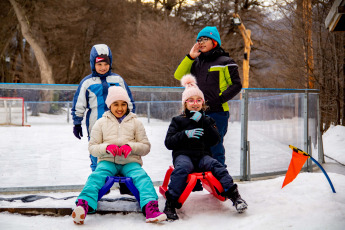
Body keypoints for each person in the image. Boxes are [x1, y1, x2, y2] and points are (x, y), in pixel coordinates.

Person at [72, 86, 167, 225]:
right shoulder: (101, 123)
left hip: (130, 162)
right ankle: (83, 205)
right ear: (109, 105)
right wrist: (107, 148)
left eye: (123, 104)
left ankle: (151, 209)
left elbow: (146, 147)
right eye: (115, 104)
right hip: (108, 161)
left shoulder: (136, 123)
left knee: (142, 178)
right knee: (96, 177)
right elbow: (92, 147)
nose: (120, 108)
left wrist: (131, 147)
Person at [163, 75, 247, 220]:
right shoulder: (178, 121)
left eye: (198, 100)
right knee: (182, 168)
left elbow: (215, 140)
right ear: (185, 103)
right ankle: (170, 204)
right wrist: (185, 134)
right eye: (190, 100)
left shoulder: (207, 120)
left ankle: (235, 197)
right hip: (183, 155)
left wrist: (204, 121)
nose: (195, 103)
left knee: (216, 165)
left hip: (202, 156)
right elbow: (169, 142)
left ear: (203, 103)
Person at [174, 26, 242, 167]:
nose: (202, 42)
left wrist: (220, 99)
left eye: (206, 39)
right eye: (199, 39)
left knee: (215, 146)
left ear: (214, 42)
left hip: (218, 112)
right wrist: (190, 56)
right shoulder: (195, 62)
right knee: (197, 147)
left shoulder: (225, 61)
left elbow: (236, 85)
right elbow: (178, 75)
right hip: (196, 112)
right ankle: (201, 178)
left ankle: (220, 179)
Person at [71, 44, 135, 172]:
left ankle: (123, 177)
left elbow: (128, 101)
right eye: (99, 64)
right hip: (96, 123)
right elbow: (79, 103)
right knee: (97, 150)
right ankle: (98, 179)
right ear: (93, 64)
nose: (103, 67)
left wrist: (130, 118)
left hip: (118, 122)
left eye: (106, 64)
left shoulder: (117, 79)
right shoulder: (87, 82)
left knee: (121, 148)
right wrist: (77, 122)